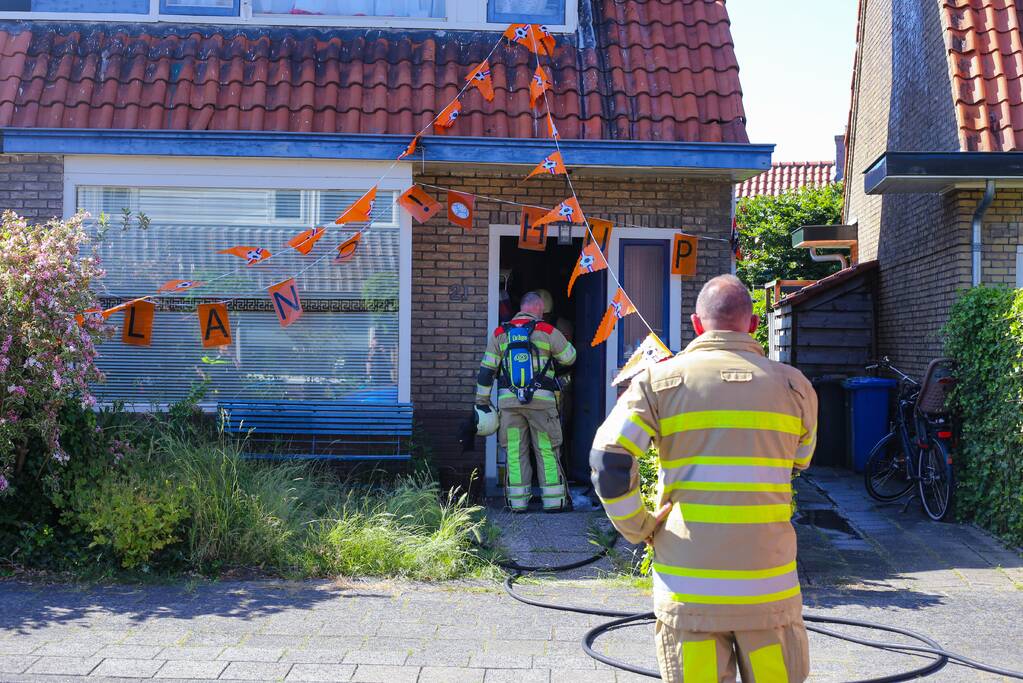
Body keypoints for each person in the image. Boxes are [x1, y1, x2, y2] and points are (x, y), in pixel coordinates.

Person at [590, 274, 817, 682]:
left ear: (697, 325)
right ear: (752, 324)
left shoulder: (657, 382)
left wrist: (638, 526)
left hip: (690, 590)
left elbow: (608, 460)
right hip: (769, 590)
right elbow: (800, 462)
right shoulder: (795, 387)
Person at [476, 291, 577, 512]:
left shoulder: (500, 333)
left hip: (509, 404)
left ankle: (517, 503)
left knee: (514, 450)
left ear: (521, 308)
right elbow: (570, 357)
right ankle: (554, 501)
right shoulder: (547, 330)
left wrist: (482, 401)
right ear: (539, 309)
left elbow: (486, 372)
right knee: (546, 449)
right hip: (542, 405)